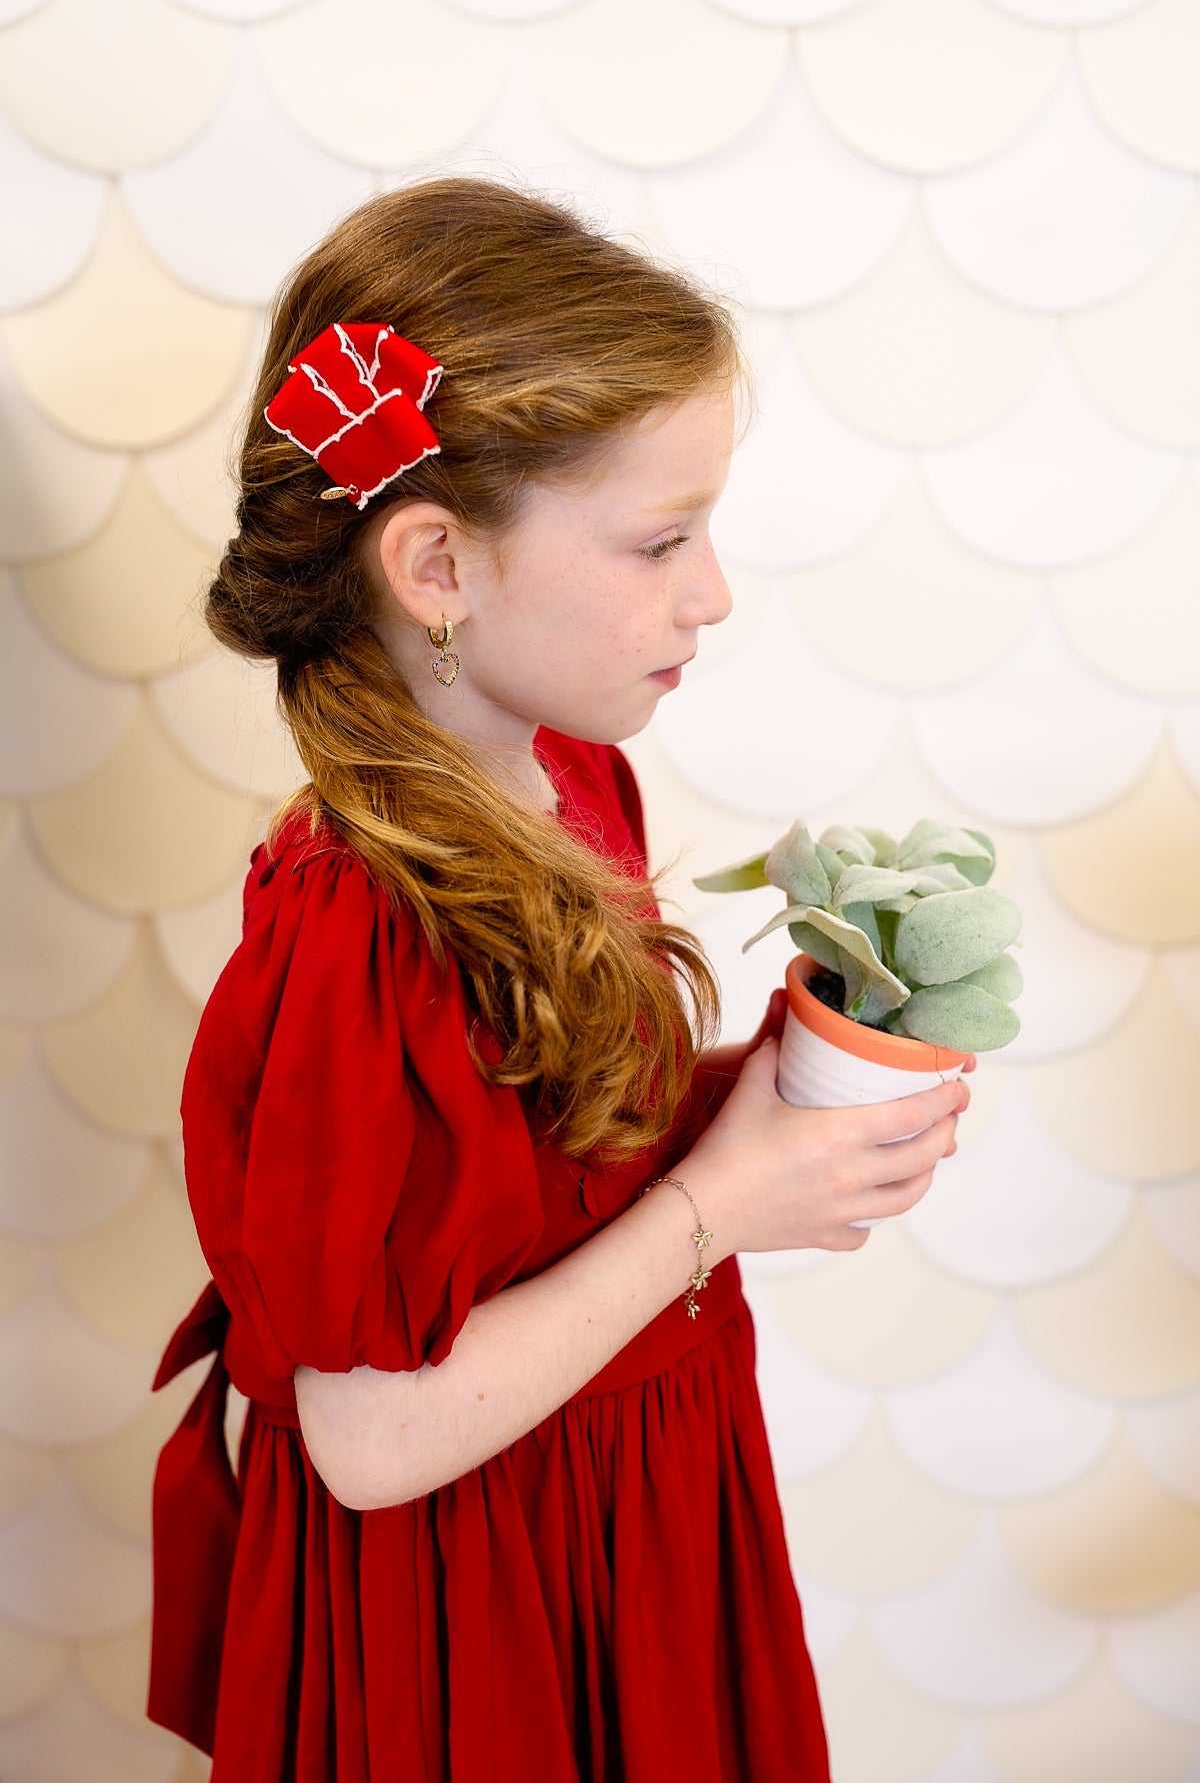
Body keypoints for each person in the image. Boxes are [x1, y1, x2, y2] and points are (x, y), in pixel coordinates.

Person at [147, 178, 969, 1783]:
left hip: (623, 1521)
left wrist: (768, 1101)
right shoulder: (364, 923)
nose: (711, 592)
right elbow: (370, 1439)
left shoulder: (573, 777)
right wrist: (722, 1204)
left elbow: (523, 1171)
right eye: (662, 540)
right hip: (483, 1608)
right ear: (438, 565)